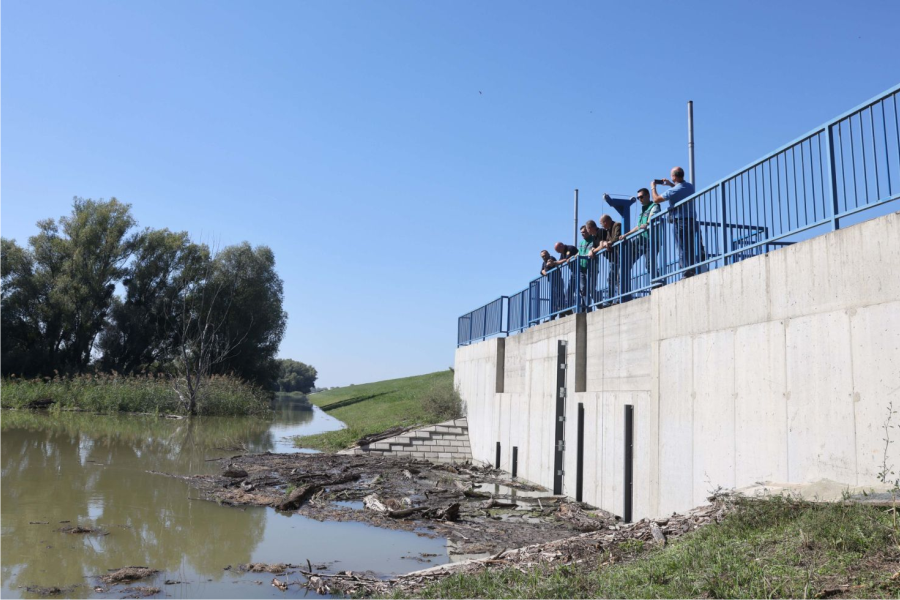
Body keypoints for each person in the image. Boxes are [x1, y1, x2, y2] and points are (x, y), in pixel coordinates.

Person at [651, 166, 707, 278]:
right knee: (692, 246)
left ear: (674, 176)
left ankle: (686, 273)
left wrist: (653, 187)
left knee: (682, 247)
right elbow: (678, 190)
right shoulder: (689, 186)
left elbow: (656, 199)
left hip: (680, 221)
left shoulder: (674, 190)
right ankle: (696, 269)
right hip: (692, 220)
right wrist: (670, 184)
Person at [589, 215, 622, 301]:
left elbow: (616, 238)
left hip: (619, 255)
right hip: (613, 258)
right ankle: (611, 299)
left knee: (618, 277)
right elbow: (601, 243)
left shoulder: (616, 225)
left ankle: (620, 297)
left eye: (601, 223)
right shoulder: (607, 230)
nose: (601, 226)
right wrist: (604, 243)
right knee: (611, 279)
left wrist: (607, 243)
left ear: (605, 222)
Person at [577, 223, 600, 308]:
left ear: (588, 231)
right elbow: (579, 252)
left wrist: (593, 251)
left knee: (591, 289)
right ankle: (585, 307)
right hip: (582, 268)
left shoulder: (593, 239)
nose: (582, 234)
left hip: (591, 268)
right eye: (581, 233)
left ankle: (599, 304)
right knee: (583, 289)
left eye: (584, 232)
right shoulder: (581, 242)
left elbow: (595, 248)